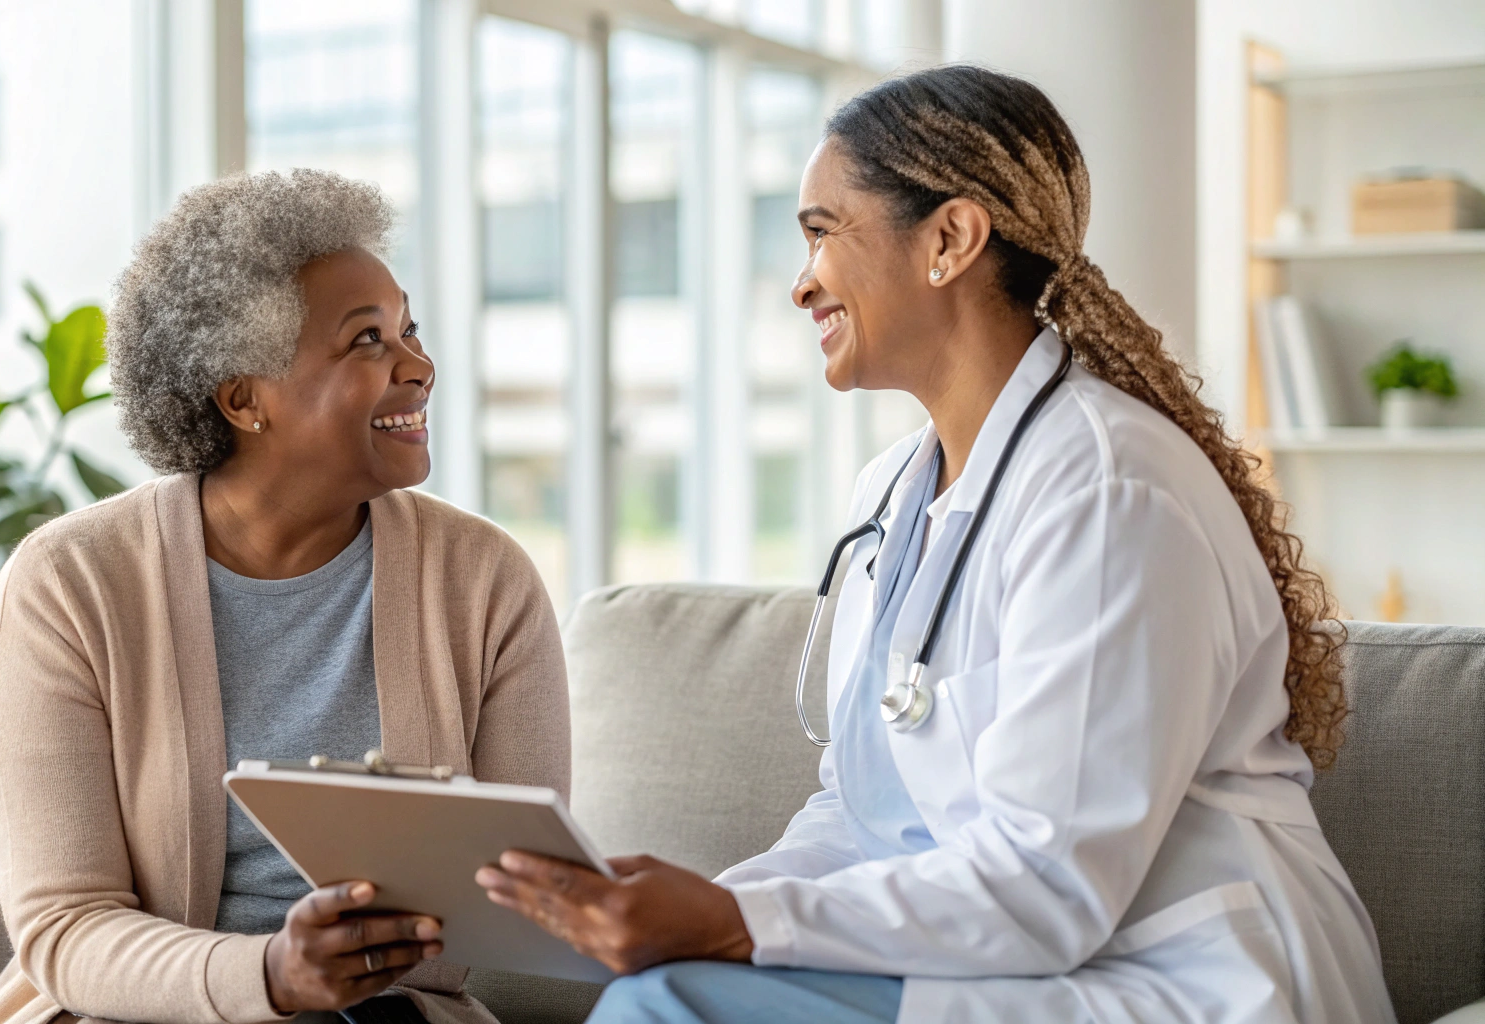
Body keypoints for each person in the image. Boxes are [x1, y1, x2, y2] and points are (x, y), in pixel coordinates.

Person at [475, 65, 1394, 1024]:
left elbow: (1051, 886)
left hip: (1182, 977)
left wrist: (732, 924)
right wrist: (699, 909)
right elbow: (860, 811)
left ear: (948, 240)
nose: (801, 284)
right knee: (658, 988)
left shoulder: (1109, 489)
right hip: (1006, 961)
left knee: (665, 1010)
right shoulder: (894, 496)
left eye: (822, 233)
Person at [0, 170, 569, 1024]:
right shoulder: (69, 583)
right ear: (244, 398)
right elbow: (66, 926)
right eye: (368, 340)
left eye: (411, 331)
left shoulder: (486, 580)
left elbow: (518, 895)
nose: (420, 367)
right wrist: (274, 975)